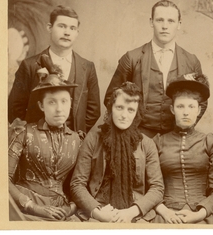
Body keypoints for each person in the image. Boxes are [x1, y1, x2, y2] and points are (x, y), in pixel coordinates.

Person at [104, 0, 207, 138]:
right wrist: (129, 130)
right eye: (160, 20)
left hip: (176, 138)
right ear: (151, 22)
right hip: (137, 136)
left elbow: (202, 101)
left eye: (171, 21)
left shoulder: (191, 61)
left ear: (179, 24)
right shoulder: (132, 58)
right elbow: (111, 98)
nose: (165, 26)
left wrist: (184, 128)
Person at [70, 82, 164, 223]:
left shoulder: (147, 144)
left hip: (135, 213)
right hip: (100, 209)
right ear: (111, 108)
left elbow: (157, 188)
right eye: (119, 107)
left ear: (137, 113)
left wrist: (131, 212)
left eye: (130, 110)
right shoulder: (94, 138)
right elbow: (77, 184)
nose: (124, 115)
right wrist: (98, 212)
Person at [8, 5, 101, 138]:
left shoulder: (87, 67)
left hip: (74, 145)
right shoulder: (29, 66)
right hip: (36, 143)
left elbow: (93, 110)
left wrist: (75, 135)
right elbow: (14, 108)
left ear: (77, 33)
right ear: (49, 28)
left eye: (72, 28)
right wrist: (32, 136)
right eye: (62, 26)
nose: (67, 32)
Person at [152, 74, 213, 224]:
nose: (186, 112)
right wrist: (165, 212)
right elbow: (149, 186)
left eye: (191, 106)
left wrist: (199, 214)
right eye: (180, 106)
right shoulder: (158, 142)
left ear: (198, 110)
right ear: (172, 109)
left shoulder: (209, 142)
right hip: (166, 214)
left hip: (202, 214)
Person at [8, 73, 81, 221]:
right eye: (52, 102)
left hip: (60, 211)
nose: (59, 109)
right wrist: (34, 207)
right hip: (25, 208)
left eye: (64, 101)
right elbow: (1, 179)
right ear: (42, 105)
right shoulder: (24, 132)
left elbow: (79, 185)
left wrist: (69, 209)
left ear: (71, 103)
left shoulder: (77, 139)